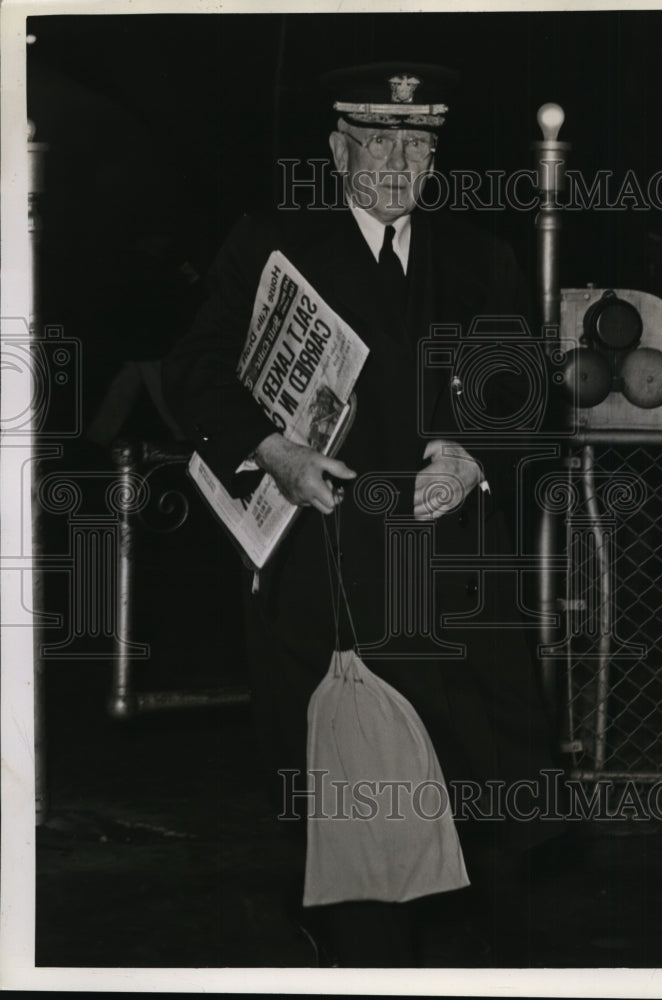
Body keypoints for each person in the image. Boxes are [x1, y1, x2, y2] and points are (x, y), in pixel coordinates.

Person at [162, 62, 558, 967]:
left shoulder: (480, 256)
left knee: (484, 791)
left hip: (449, 564)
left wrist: (472, 454)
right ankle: (350, 949)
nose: (394, 160)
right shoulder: (273, 243)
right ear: (337, 150)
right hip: (325, 563)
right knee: (344, 801)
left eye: (413, 144)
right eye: (375, 140)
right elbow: (194, 371)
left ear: (432, 159)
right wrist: (276, 450)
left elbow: (522, 392)